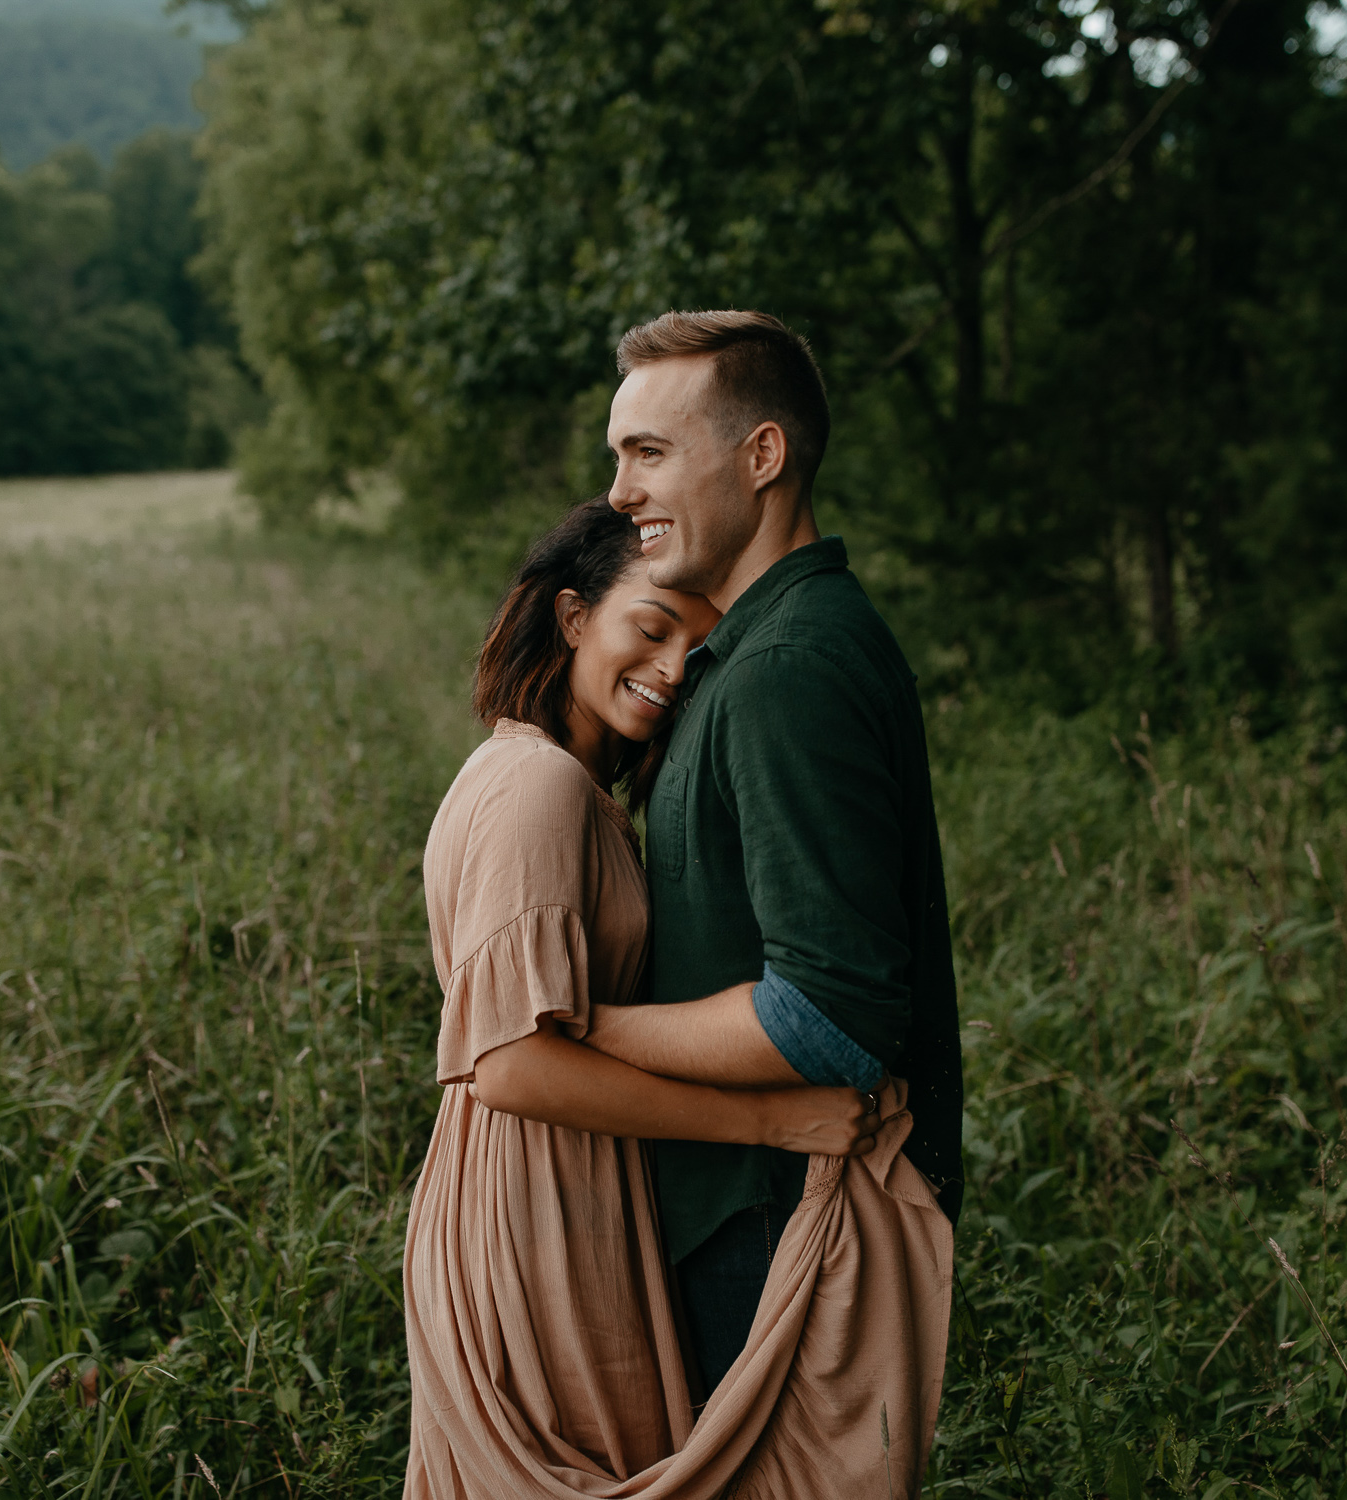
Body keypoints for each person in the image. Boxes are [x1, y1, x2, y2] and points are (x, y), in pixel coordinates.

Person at [404, 496, 953, 1499]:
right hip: (538, 1200)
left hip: (548, 1188)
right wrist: (771, 1123)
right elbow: (513, 1064)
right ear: (573, 619)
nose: (667, 671)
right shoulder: (542, 792)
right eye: (649, 630)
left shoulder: (544, 777)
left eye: (693, 653)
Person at [586, 310, 965, 1404]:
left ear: (762, 457)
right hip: (748, 1209)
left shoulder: (789, 666)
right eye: (619, 457)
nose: (619, 492)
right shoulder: (747, 647)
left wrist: (578, 1030)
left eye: (648, 453)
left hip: (784, 1219)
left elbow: (834, 1016)